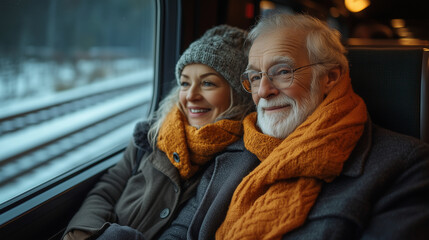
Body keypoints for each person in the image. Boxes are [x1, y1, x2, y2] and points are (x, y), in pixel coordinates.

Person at [160, 14, 429, 240]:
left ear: (330, 78)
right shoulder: (232, 153)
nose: (263, 91)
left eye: (283, 71)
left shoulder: (406, 165)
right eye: (255, 77)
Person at [62, 24, 254, 240]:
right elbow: (109, 187)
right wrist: (83, 232)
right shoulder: (152, 133)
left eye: (208, 83)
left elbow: (183, 232)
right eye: (184, 83)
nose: (191, 95)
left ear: (237, 94)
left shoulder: (237, 160)